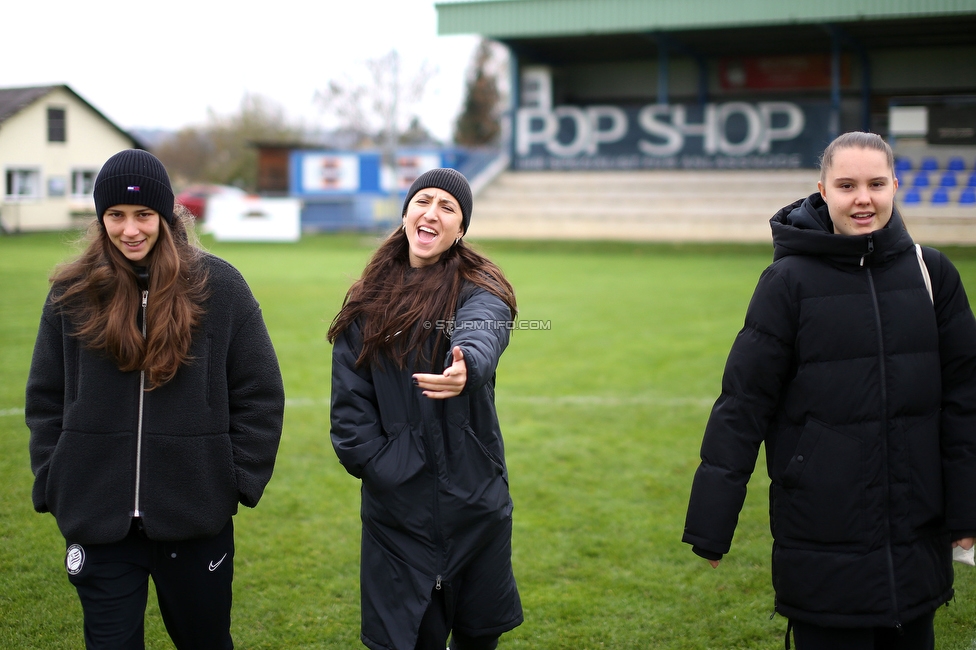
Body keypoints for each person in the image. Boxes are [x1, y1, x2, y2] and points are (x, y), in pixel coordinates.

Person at [683, 132, 976, 649]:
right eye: (847, 185)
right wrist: (712, 520)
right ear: (822, 189)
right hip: (820, 531)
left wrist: (967, 512)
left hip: (916, 537)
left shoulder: (934, 274)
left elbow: (964, 404)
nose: (862, 198)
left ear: (895, 186)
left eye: (875, 183)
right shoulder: (787, 282)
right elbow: (743, 402)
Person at [26, 149, 285, 649]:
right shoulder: (71, 292)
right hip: (98, 518)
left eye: (143, 215)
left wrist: (234, 479)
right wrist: (55, 477)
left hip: (194, 517)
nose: (130, 230)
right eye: (116, 216)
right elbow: (45, 397)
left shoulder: (219, 286)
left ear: (166, 217)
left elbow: (260, 391)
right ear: (101, 220)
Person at [328, 168, 523, 650]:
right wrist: (388, 467)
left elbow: (484, 326)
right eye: (423, 200)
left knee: (479, 635)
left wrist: (468, 363)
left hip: (475, 503)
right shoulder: (367, 301)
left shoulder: (479, 288)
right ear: (406, 211)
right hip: (397, 514)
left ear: (461, 229)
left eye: (447, 207)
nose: (431, 213)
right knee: (407, 641)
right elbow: (350, 411)